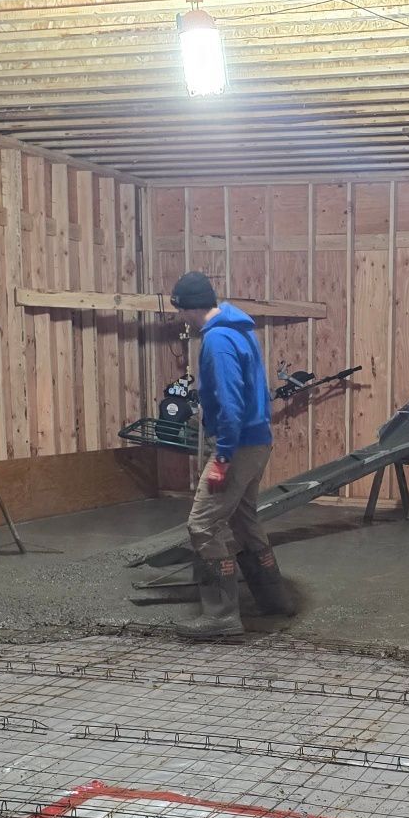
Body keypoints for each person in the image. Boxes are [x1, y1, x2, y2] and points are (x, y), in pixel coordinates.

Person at [169, 271, 293, 638]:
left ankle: (221, 616)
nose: (181, 318)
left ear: (189, 308)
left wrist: (222, 457)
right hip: (257, 442)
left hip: (236, 446)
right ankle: (275, 599)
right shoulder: (241, 330)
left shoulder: (217, 341)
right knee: (243, 519)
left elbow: (231, 401)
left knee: (202, 525)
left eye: (180, 311)